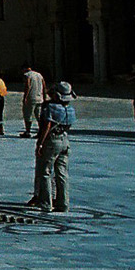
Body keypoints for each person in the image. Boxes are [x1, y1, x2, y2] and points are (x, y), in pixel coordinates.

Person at [30, 80, 75, 212]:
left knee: (45, 172)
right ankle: (63, 203)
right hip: (65, 140)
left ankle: (46, 202)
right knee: (62, 174)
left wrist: (40, 143)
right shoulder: (70, 109)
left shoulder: (51, 108)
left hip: (52, 141)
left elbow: (47, 126)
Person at [20, 63, 46, 137]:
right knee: (39, 116)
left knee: (28, 115)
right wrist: (44, 97)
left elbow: (27, 86)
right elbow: (44, 86)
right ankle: (41, 132)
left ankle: (27, 132)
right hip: (39, 98)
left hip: (31, 98)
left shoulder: (27, 75)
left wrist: (25, 97)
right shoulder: (39, 75)